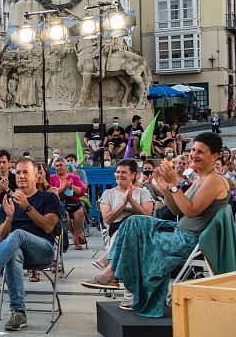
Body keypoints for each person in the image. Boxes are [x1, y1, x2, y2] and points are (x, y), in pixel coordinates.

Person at [82, 133, 231, 316]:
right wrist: (167, 188)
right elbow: (176, 210)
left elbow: (190, 211)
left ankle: (115, 275)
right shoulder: (202, 178)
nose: (194, 154)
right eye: (193, 149)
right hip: (180, 231)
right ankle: (112, 271)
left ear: (215, 156)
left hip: (188, 240)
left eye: (200, 152)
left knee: (138, 234)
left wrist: (174, 185)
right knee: (134, 222)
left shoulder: (214, 180)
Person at [0, 158, 61, 331]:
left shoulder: (49, 198)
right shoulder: (9, 201)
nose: (21, 176)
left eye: (26, 172)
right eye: (18, 172)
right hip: (18, 251)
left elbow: (48, 226)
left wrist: (27, 207)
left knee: (18, 234)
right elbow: (2, 236)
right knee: (13, 252)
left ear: (36, 175)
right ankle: (18, 312)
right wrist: (9, 217)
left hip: (43, 249)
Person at [91, 159, 154, 271]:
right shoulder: (108, 193)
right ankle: (115, 274)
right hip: (116, 227)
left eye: (123, 172)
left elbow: (147, 215)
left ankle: (109, 261)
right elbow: (107, 219)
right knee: (127, 227)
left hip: (140, 231)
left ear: (133, 175)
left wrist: (131, 200)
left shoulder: (143, 192)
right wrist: (122, 204)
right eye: (118, 172)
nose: (119, 175)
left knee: (131, 221)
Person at [50, 158, 87, 250]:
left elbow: (82, 192)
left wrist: (72, 187)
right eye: (57, 166)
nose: (58, 167)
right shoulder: (52, 178)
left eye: (61, 165)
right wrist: (62, 188)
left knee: (80, 213)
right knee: (65, 216)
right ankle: (76, 237)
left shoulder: (74, 178)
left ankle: (75, 235)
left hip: (74, 203)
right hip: (60, 204)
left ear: (66, 166)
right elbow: (51, 193)